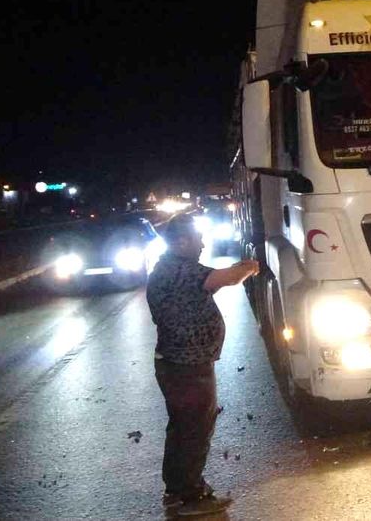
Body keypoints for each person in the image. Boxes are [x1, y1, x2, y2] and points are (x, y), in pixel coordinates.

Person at [147, 213, 259, 516]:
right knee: (195, 429)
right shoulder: (178, 269)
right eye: (198, 240)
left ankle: (176, 490)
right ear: (182, 241)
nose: (202, 244)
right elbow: (228, 278)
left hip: (178, 363)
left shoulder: (172, 268)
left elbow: (207, 286)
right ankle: (192, 497)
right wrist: (249, 266)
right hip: (187, 366)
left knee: (182, 428)